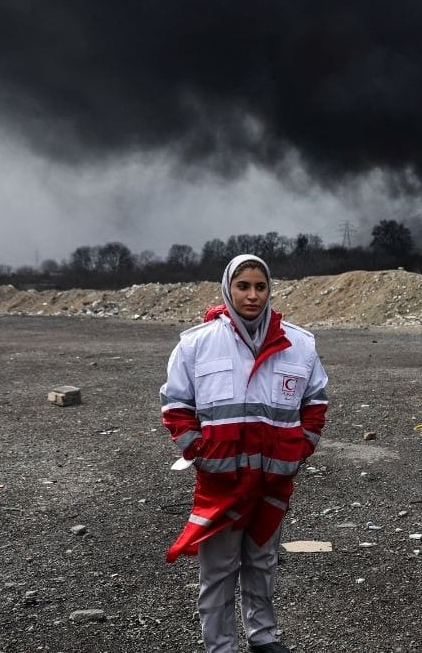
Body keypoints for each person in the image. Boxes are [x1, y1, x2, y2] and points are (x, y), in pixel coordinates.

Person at [160, 254, 328, 653]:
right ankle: (220, 647)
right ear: (227, 288)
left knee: (262, 562)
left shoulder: (299, 344)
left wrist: (299, 448)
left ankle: (263, 638)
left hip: (272, 480)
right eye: (243, 286)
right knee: (218, 571)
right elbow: (175, 405)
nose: (252, 295)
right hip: (222, 482)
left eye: (260, 286)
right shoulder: (197, 344)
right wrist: (199, 450)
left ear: (269, 290)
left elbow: (315, 402)